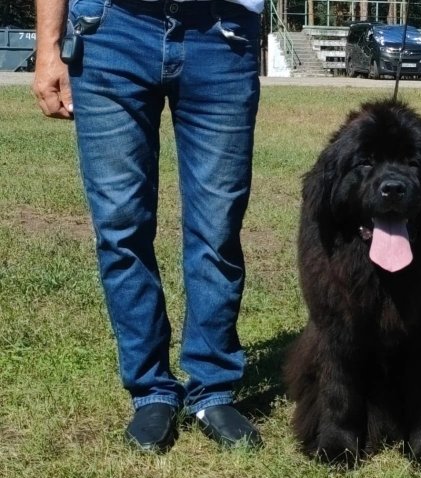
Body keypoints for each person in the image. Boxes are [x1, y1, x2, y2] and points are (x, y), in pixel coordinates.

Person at [32, 0, 264, 451]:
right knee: (121, 226)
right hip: (111, 29)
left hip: (223, 34)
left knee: (217, 228)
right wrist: (48, 48)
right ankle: (150, 390)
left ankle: (212, 387)